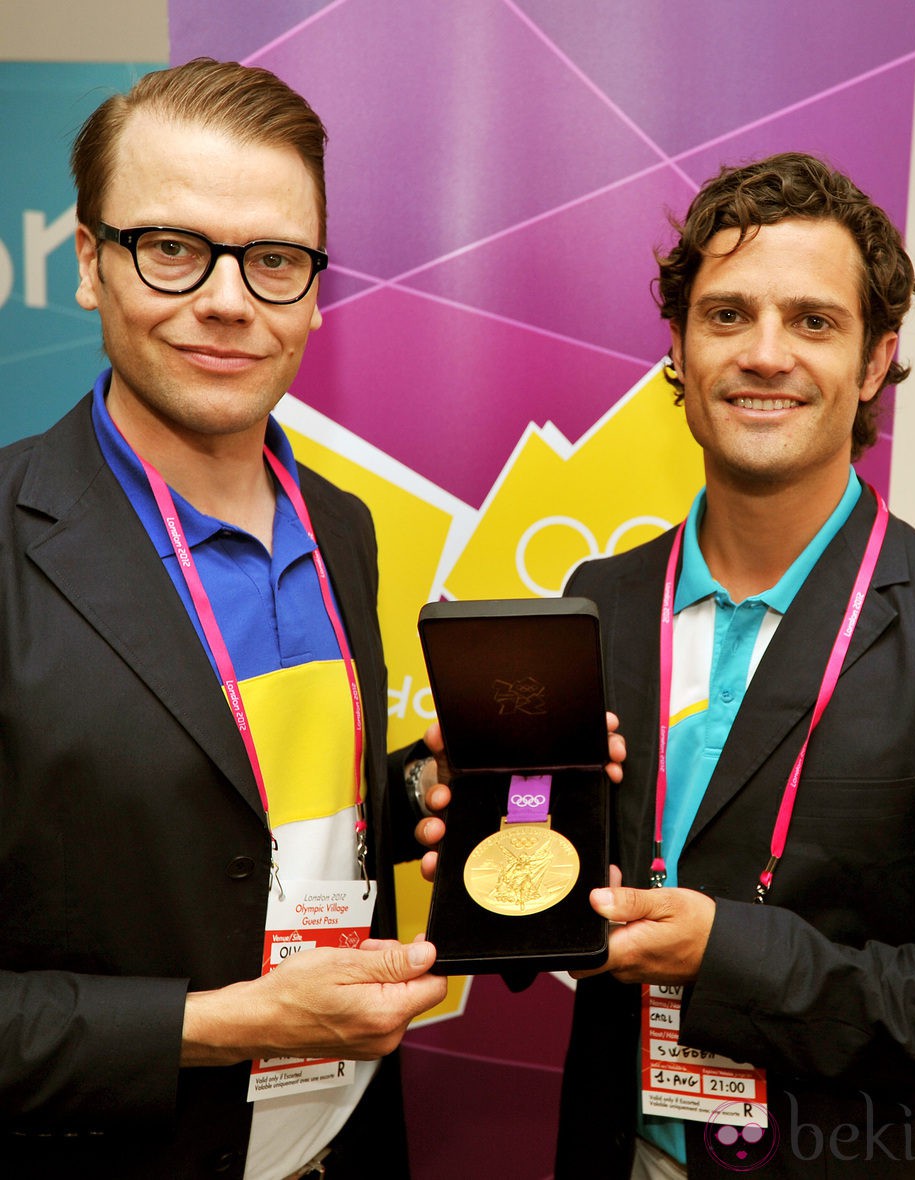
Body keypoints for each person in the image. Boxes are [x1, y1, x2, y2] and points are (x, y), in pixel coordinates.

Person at [0, 58, 449, 1180]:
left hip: (341, 1147)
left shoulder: (341, 525)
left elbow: (240, 810)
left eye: (274, 260)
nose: (227, 299)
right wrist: (223, 1025)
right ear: (91, 263)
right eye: (171, 248)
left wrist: (418, 790)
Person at [551, 153, 915, 1177]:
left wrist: (725, 952)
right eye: (727, 314)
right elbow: (566, 894)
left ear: (874, 361)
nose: (763, 353)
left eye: (812, 321)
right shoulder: (597, 603)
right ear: (679, 347)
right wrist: (501, 841)